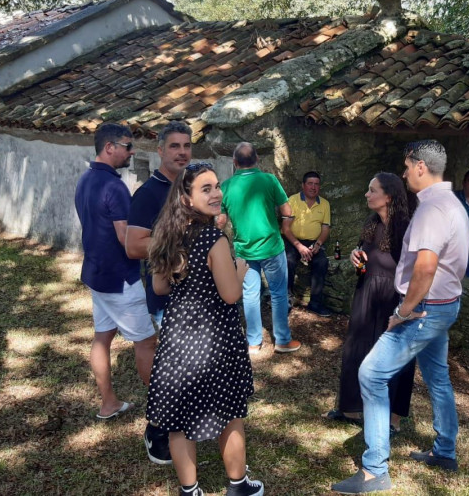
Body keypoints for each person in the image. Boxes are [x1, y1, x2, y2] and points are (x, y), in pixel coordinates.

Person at [331, 140, 469, 495]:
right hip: (445, 304)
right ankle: (445, 451)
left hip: (426, 309)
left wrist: (404, 311)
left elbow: (425, 267)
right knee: (438, 377)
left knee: (371, 374)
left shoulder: (430, 210)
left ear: (420, 166)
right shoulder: (451, 203)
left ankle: (375, 469)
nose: (405, 172)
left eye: (407, 166)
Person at [146, 163, 263, 496]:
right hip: (215, 338)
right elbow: (230, 295)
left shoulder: (168, 234)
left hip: (177, 336)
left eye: (216, 186)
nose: (216, 194)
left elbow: (159, 287)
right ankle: (238, 486)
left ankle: (189, 490)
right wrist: (240, 270)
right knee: (230, 412)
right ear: (186, 198)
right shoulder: (213, 238)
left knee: (178, 420)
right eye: (206, 189)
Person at [74, 124, 158, 435]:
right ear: (109, 147)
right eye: (127, 145)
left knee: (102, 338)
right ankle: (163, 410)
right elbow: (129, 241)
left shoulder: (85, 179)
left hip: (96, 274)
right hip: (120, 279)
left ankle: (108, 403)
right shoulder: (115, 187)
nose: (132, 151)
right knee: (147, 342)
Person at [322, 173, 415, 436]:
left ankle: (393, 419)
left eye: (372, 190)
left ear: (388, 196)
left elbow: (415, 271)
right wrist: (355, 256)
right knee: (357, 349)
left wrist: (406, 306)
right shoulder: (372, 223)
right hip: (366, 292)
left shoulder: (407, 228)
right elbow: (365, 254)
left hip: (393, 298)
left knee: (395, 357)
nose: (366, 194)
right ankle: (351, 407)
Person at [221, 142, 301, 354]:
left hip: (244, 251)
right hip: (272, 247)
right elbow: (287, 210)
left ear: (234, 162)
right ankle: (283, 340)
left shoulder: (226, 186)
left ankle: (254, 343)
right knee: (278, 293)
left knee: (249, 294)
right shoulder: (269, 180)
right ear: (257, 159)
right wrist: (285, 226)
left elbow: (220, 220)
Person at [126, 120, 193, 327]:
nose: (182, 152)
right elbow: (133, 246)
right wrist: (180, 243)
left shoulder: (191, 187)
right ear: (160, 151)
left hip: (195, 291)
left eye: (187, 146)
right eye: (174, 146)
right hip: (167, 296)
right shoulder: (148, 194)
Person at [283, 171, 332, 317]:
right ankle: (286, 300)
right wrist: (299, 246)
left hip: (313, 242)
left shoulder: (324, 204)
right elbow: (285, 228)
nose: (313, 187)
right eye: (310, 183)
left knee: (322, 262)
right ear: (303, 185)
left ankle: (315, 303)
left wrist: (318, 244)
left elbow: (325, 228)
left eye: (316, 184)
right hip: (292, 240)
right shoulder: (292, 200)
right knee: (288, 260)